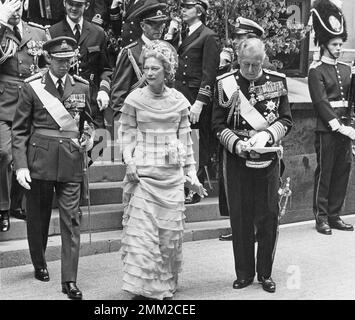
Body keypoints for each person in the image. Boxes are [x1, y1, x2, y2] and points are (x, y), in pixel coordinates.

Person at [119, 39, 206, 300]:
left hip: (170, 176)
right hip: (144, 174)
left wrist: (191, 172)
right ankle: (142, 286)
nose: (150, 72)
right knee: (142, 234)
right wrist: (129, 161)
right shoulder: (134, 99)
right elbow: (126, 134)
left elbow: (186, 141)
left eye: (155, 68)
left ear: (166, 71)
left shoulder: (179, 101)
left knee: (168, 237)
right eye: (146, 67)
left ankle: (164, 283)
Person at [12, 36, 95, 300]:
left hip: (71, 161)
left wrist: (90, 142)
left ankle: (69, 280)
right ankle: (39, 261)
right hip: (40, 159)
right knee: (37, 217)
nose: (64, 65)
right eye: (59, 61)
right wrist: (21, 165)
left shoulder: (82, 86)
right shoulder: (32, 87)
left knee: (71, 220)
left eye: (68, 60)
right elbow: (19, 130)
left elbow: (91, 123)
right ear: (48, 59)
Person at [212, 38, 293, 293]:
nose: (249, 69)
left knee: (268, 217)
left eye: (255, 64)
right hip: (237, 158)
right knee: (240, 216)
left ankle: (265, 273)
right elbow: (216, 124)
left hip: (268, 158)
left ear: (263, 58)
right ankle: (244, 272)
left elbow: (286, 120)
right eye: (245, 64)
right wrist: (236, 143)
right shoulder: (224, 83)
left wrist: (268, 135)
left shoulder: (276, 81)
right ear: (238, 58)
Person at [0, 0, 49, 232]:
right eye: (11, 8)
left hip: (27, 102)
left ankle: (18, 204)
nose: (15, 13)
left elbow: (47, 63)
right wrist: (1, 22)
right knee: (5, 154)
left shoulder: (37, 32)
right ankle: (3, 207)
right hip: (1, 103)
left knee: (25, 154)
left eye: (19, 8)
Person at [217, 17, 271, 242]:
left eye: (242, 37)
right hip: (234, 142)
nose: (236, 41)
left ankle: (256, 228)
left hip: (258, 144)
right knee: (235, 194)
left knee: (258, 197)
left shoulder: (265, 69)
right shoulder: (231, 67)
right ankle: (239, 227)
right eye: (236, 38)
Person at [165, 0, 219, 205]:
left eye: (186, 8)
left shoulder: (208, 36)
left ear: (199, 11)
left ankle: (195, 188)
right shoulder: (181, 35)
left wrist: (200, 103)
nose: (182, 11)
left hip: (194, 98)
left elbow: (209, 73)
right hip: (178, 95)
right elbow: (166, 58)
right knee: (176, 141)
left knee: (194, 144)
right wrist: (170, 34)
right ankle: (176, 184)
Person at [308, 0, 354, 235]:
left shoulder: (347, 69)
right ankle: (322, 217)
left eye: (340, 44)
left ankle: (335, 214)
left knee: (342, 171)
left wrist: (351, 126)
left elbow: (352, 102)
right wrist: (338, 127)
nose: (339, 48)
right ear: (324, 45)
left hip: (347, 128)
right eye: (335, 44)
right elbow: (320, 103)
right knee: (325, 172)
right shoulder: (315, 70)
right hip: (327, 129)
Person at [49, 0, 113, 130]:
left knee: (96, 146)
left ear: (86, 6)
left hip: (92, 101)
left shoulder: (98, 33)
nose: (73, 8)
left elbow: (106, 69)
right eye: (70, 4)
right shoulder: (53, 32)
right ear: (64, 3)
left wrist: (104, 90)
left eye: (78, 5)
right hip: (63, 100)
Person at [110, 0, 167, 116]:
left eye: (161, 24)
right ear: (142, 25)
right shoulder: (131, 53)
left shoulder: (167, 51)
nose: (158, 28)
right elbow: (118, 98)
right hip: (137, 118)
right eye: (153, 24)